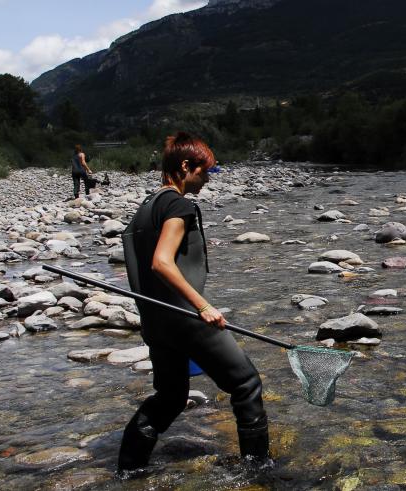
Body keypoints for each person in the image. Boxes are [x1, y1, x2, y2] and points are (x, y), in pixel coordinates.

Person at [118, 132, 269, 472]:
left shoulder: (145, 209)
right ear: (186, 166)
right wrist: (202, 306)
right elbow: (161, 262)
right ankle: (259, 471)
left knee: (170, 398)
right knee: (246, 385)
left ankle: (129, 469)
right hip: (184, 318)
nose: (206, 180)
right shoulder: (177, 205)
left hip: (156, 324)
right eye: (205, 172)